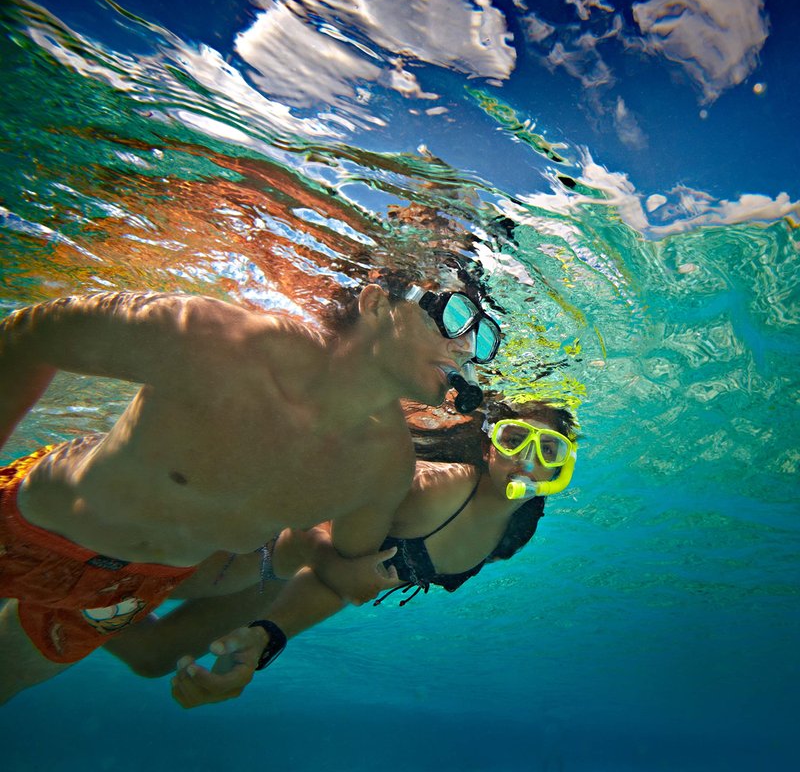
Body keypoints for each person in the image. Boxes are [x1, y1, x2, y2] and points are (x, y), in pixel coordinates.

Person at [0, 269, 503, 704]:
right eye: (454, 316)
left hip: (124, 595)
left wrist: (264, 639)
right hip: (26, 525)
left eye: (481, 336)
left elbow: (339, 570)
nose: (466, 347)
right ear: (375, 303)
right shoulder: (223, 339)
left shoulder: (384, 469)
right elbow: (30, 333)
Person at [102, 395, 577, 707]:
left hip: (288, 564)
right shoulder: (435, 489)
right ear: (489, 444)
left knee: (151, 656)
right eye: (514, 439)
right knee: (127, 583)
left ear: (562, 464)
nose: (526, 459)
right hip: (264, 534)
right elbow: (314, 526)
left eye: (548, 450)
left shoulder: (511, 535)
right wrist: (331, 567)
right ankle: (69, 567)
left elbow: (356, 580)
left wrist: (268, 635)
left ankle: (64, 598)